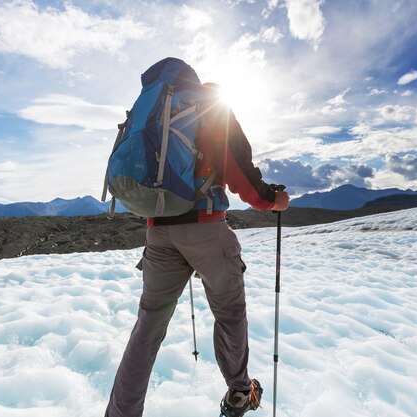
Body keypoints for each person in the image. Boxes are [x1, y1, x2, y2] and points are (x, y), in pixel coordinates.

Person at [104, 64, 290, 417]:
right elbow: (243, 180)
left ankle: (120, 413)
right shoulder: (210, 107)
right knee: (230, 313)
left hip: (158, 231)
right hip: (206, 230)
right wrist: (273, 200)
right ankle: (239, 392)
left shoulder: (153, 109)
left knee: (148, 326)